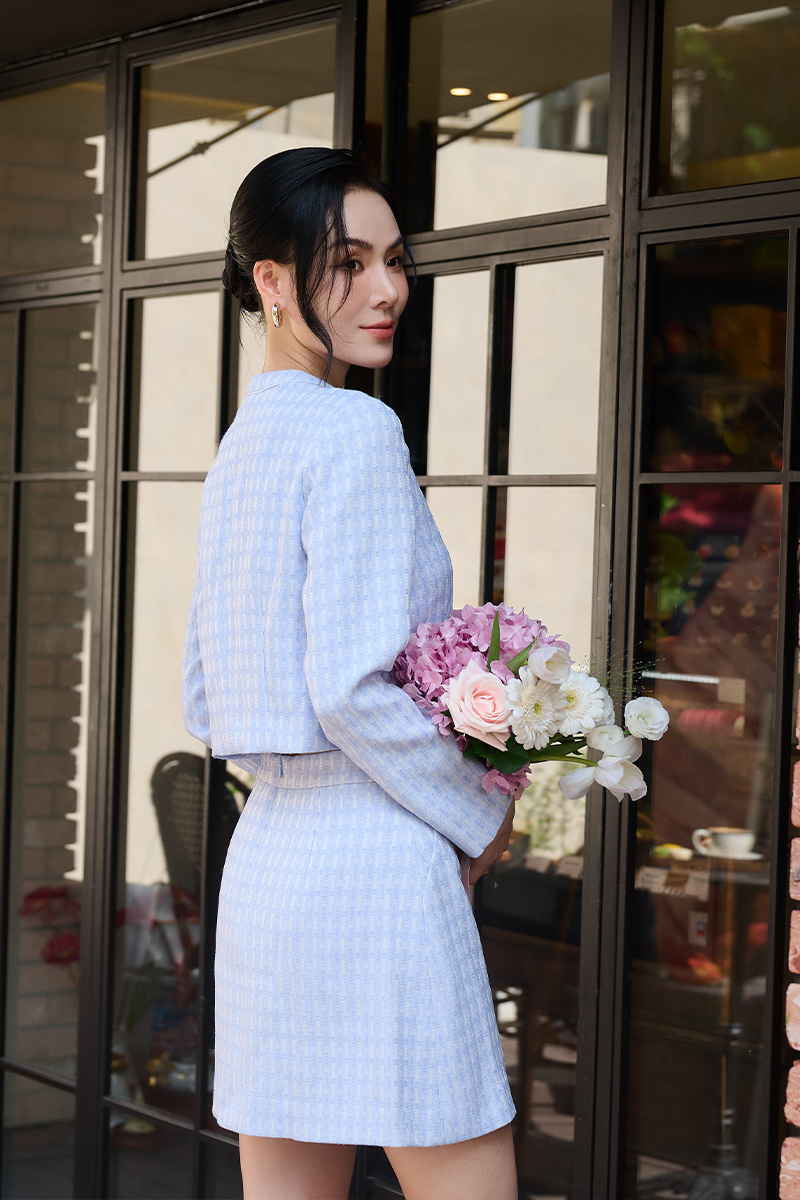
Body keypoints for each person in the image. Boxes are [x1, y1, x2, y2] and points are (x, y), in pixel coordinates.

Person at [182, 147, 518, 1200]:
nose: (386, 290)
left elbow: (204, 693)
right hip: (377, 868)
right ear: (271, 281)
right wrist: (480, 809)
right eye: (348, 262)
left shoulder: (243, 446)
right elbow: (348, 687)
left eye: (394, 260)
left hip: (270, 868)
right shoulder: (356, 428)